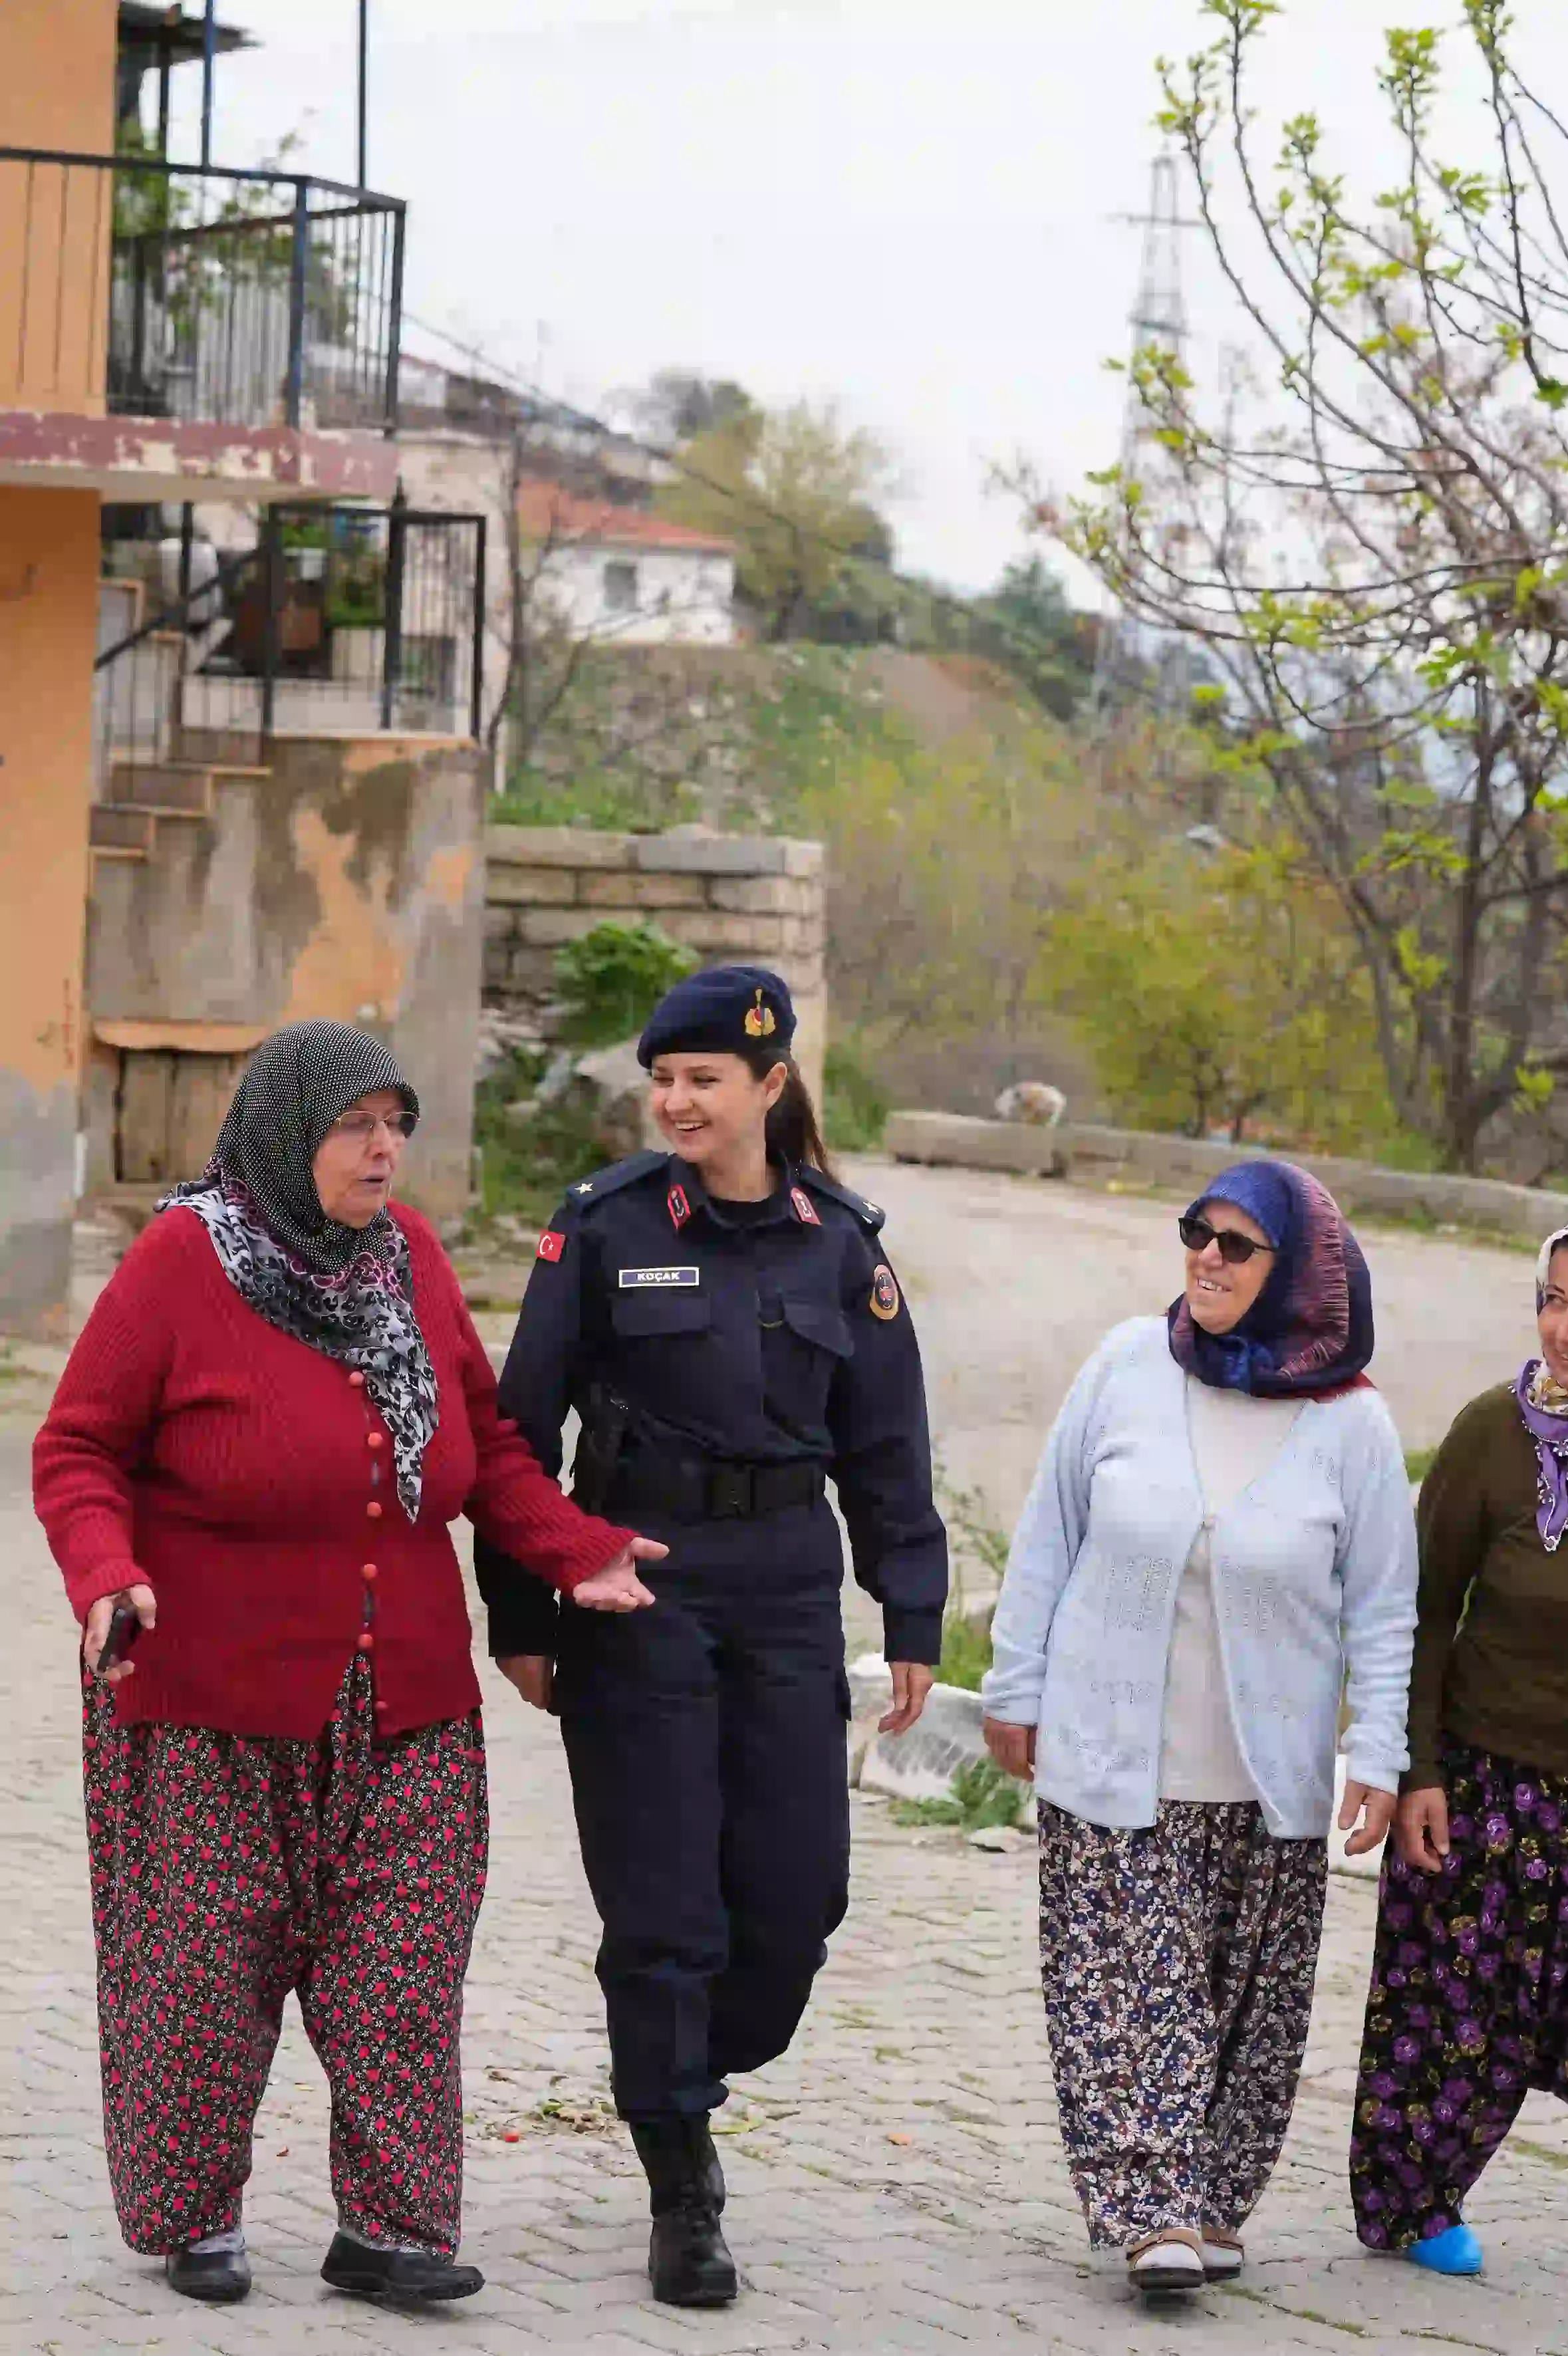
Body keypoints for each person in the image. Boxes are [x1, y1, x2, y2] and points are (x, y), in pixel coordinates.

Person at [33, 1021, 664, 2311]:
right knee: (207, 1963)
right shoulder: (178, 1262)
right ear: (284, 1132)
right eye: (354, 1125)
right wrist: (106, 1576)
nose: (386, 1150)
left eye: (399, 1122)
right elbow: (77, 1449)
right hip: (213, 1690)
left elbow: (480, 1444)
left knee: (404, 1967)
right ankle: (195, 2208)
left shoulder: (411, 1259)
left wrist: (575, 1547)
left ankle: (393, 2225)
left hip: (408, 1689)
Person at [475, 964, 947, 2307]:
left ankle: (690, 2059)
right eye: (664, 1080)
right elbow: (519, 1433)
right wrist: (523, 1607)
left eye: (704, 1081)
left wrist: (911, 1607)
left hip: (793, 1586)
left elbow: (890, 1443)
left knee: (797, 1897)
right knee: (667, 1898)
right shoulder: (606, 1229)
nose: (677, 1101)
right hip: (645, 1587)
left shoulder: (840, 1242)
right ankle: (680, 2174)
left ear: (771, 1086)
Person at [981, 1161, 1418, 2300]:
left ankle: (1212, 2199)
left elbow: (1383, 1607)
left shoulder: (1353, 1423)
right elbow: (1049, 1533)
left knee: (1245, 2008)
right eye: (1197, 1234)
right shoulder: (1127, 1367)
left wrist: (1375, 1752)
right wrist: (1015, 1684)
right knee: (1129, 1998)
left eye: (1238, 1245)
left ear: (1301, 1273)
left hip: (1264, 1781)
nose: (1208, 1260)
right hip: (1108, 1760)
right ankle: (1147, 2205)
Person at [1350, 1209, 1568, 2276]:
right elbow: (1419, 1611)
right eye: (1555, 1300)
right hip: (1487, 1785)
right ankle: (1415, 2199)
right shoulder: (1490, 1434)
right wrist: (1417, 1770)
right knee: (1459, 2020)